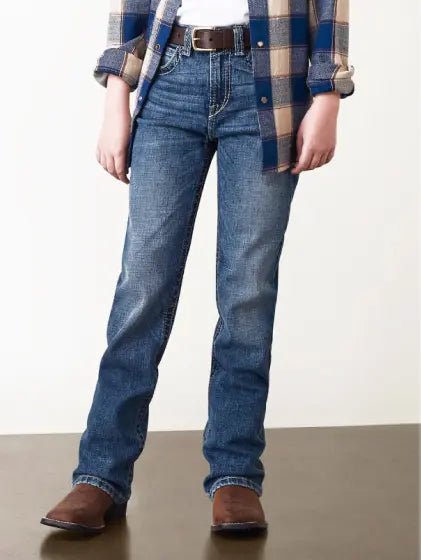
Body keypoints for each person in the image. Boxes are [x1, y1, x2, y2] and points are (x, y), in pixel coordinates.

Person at [41, 0, 354, 535]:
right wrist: (117, 94)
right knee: (142, 286)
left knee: (247, 293)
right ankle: (100, 475)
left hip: (269, 84)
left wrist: (328, 94)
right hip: (170, 79)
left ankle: (236, 475)